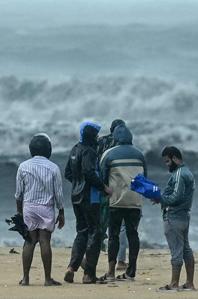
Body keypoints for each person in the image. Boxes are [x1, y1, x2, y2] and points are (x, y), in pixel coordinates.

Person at [15, 133, 66, 286]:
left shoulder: (23, 166)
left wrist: (19, 211)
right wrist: (61, 212)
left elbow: (19, 193)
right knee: (45, 242)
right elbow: (58, 194)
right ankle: (47, 279)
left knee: (29, 242)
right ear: (48, 150)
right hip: (46, 208)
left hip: (29, 207)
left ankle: (25, 278)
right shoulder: (53, 168)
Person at [63, 122, 111, 283]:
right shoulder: (90, 151)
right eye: (96, 135)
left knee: (81, 232)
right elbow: (89, 172)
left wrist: (77, 183)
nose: (98, 138)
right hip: (90, 197)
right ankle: (89, 274)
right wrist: (104, 188)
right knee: (95, 232)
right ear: (91, 136)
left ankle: (72, 267)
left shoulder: (75, 149)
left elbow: (68, 173)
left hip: (76, 196)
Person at [99, 123, 146, 281]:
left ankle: (111, 272)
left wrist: (104, 193)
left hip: (116, 201)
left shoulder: (109, 154)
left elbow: (103, 178)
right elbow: (144, 179)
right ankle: (131, 272)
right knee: (133, 235)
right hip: (135, 201)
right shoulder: (139, 155)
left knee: (113, 236)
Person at [150, 145, 195, 291]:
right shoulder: (188, 173)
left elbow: (176, 196)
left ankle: (174, 284)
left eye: (168, 161)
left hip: (174, 217)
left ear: (175, 158)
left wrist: (160, 199)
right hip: (184, 216)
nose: (167, 164)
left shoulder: (179, 174)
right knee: (186, 249)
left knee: (176, 250)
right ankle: (189, 283)